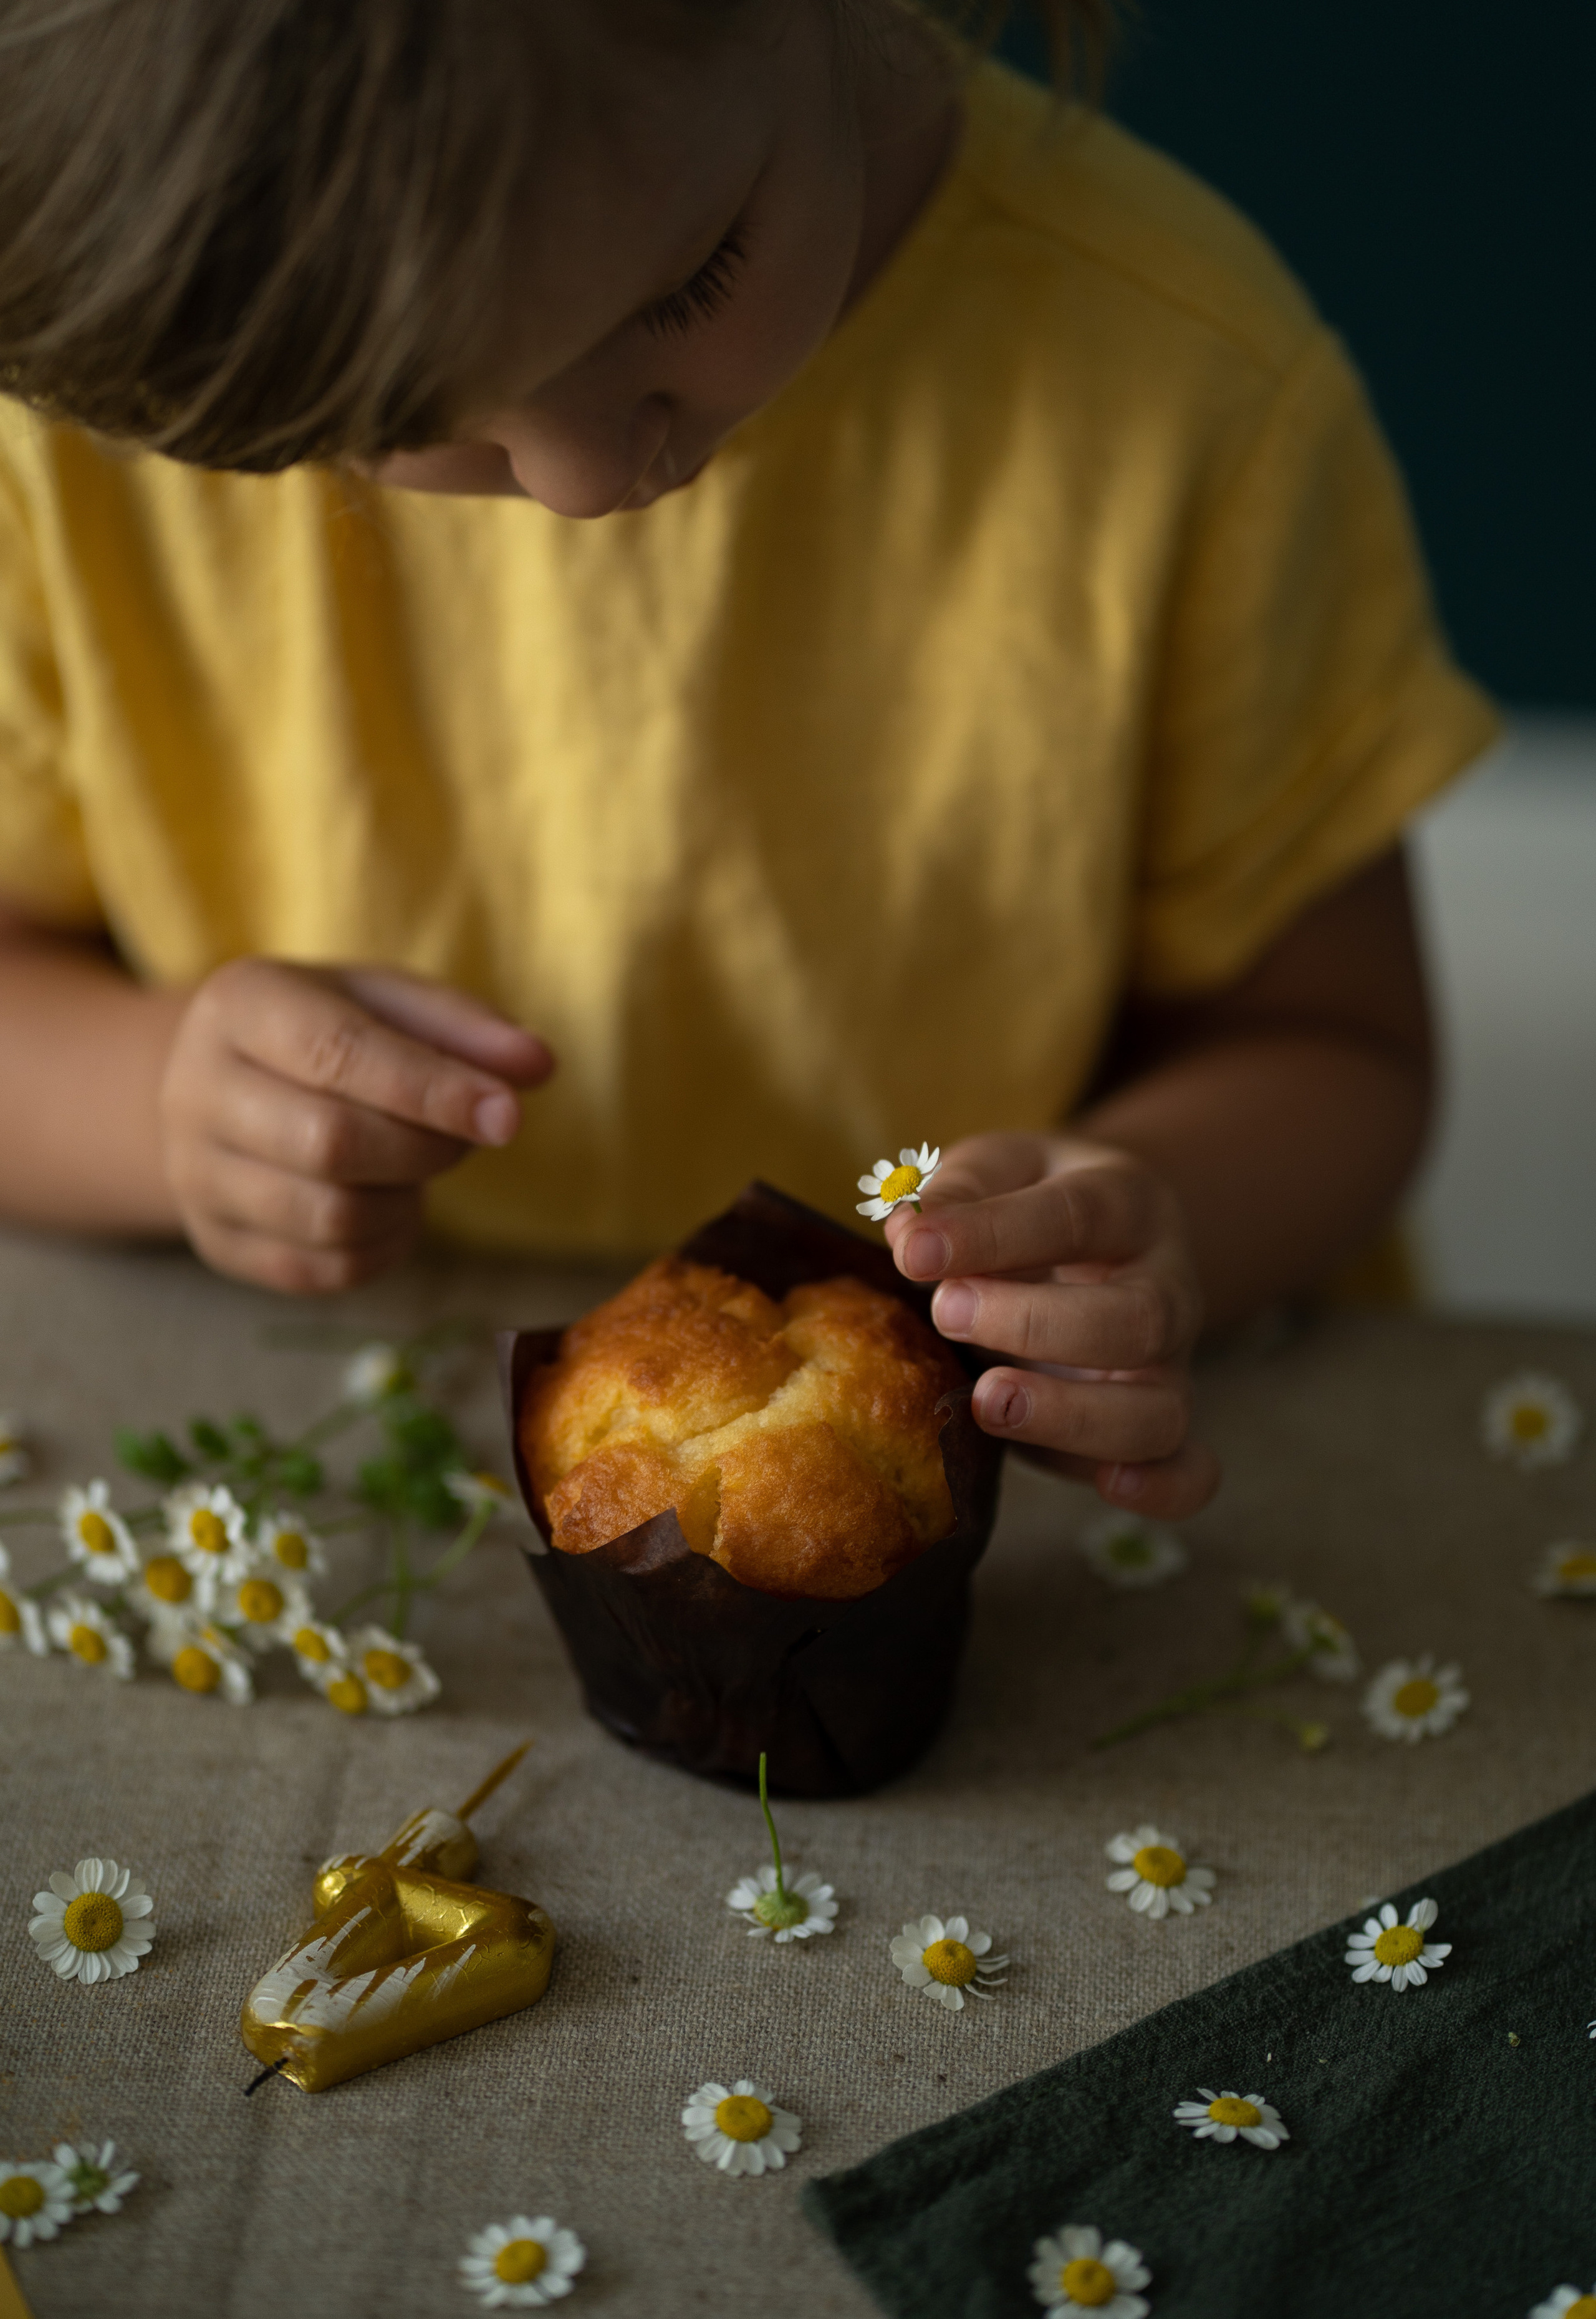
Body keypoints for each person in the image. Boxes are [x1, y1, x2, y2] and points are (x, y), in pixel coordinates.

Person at [0, 0, 1495, 1520]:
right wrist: (151, 1105)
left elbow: (1342, 1054)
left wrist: (1151, 1218)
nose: (591, 482)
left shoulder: (1185, 393)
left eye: (690, 278)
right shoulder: (99, 436)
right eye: (401, 426)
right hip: (366, 1453)